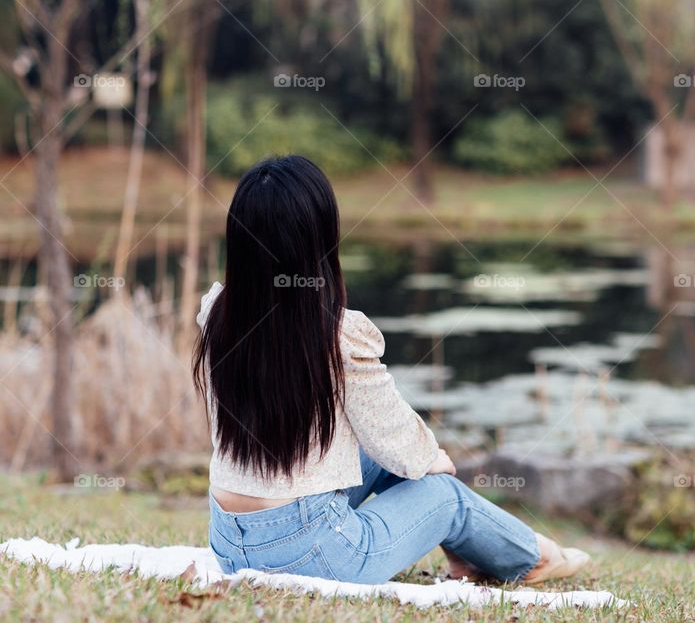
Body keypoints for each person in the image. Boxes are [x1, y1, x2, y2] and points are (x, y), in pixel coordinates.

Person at [193, 155, 589, 584]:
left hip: (229, 543)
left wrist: (411, 460)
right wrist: (431, 457)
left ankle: (474, 555)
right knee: (445, 495)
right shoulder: (338, 336)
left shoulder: (216, 314)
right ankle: (533, 556)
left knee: (377, 461)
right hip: (315, 553)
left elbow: (383, 450)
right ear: (319, 240)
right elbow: (397, 437)